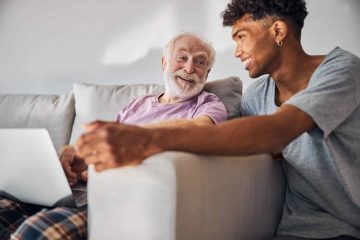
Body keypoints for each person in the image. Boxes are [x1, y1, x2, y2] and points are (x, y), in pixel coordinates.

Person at [75, 0, 360, 239]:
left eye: (241, 36)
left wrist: (147, 138)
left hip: (346, 225)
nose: (236, 52)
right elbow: (250, 146)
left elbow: (279, 130)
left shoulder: (341, 69)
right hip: (294, 227)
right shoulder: (256, 96)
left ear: (277, 30)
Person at [0, 33, 227, 240]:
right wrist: (75, 156)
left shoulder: (208, 104)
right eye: (182, 57)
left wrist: (129, 137)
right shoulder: (137, 104)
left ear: (207, 73)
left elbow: (202, 129)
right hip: (81, 189)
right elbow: (108, 147)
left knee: (34, 232)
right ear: (164, 63)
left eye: (199, 62)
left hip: (117, 200)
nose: (189, 68)